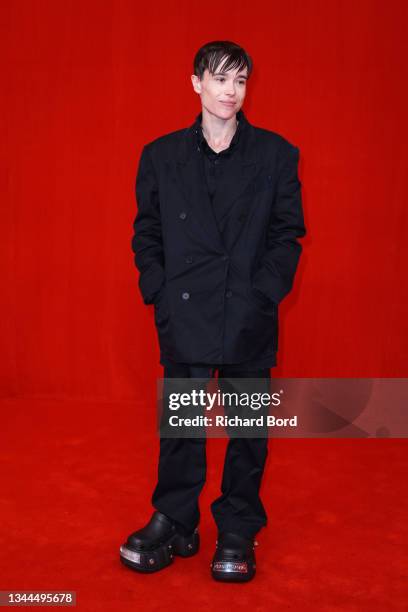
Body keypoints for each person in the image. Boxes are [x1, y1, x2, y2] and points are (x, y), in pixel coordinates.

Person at [119, 40, 306, 582]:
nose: (230, 91)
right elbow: (146, 231)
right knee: (181, 424)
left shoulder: (276, 155)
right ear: (195, 82)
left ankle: (237, 529)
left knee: (248, 428)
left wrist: (263, 293)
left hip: (248, 314)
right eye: (220, 79)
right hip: (185, 314)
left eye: (240, 81)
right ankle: (175, 518)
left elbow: (287, 234)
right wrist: (157, 288)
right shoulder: (160, 156)